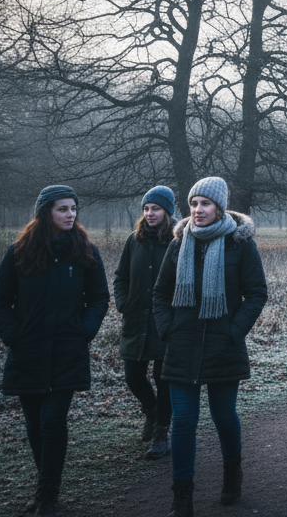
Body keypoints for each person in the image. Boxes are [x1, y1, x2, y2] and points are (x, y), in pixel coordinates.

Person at [0, 185, 110, 515]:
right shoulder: (20, 253)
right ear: (45, 213)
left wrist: (84, 330)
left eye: (74, 208)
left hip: (67, 351)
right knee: (34, 424)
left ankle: (47, 495)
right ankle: (46, 485)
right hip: (27, 352)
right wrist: (14, 336)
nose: (71, 214)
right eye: (63, 209)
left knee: (53, 420)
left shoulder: (85, 252)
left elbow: (99, 298)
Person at [153, 177, 268, 517]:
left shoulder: (240, 244)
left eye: (205, 204)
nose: (197, 210)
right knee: (184, 421)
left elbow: (257, 293)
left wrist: (234, 331)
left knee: (224, 417)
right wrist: (168, 329)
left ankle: (232, 473)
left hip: (223, 346)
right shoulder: (179, 242)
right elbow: (160, 293)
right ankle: (182, 497)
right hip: (182, 346)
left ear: (219, 207)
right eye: (193, 204)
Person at [113, 185, 176, 460]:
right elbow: (120, 277)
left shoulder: (178, 241)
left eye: (156, 209)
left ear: (168, 212)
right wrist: (123, 303)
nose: (150, 213)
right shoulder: (133, 240)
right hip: (136, 320)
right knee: (133, 376)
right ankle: (151, 411)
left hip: (165, 323)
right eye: (147, 209)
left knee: (164, 380)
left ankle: (162, 432)